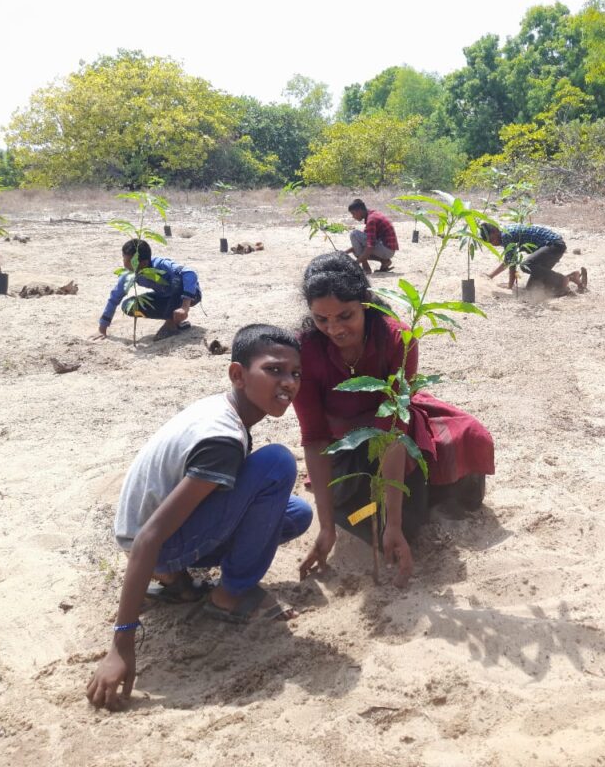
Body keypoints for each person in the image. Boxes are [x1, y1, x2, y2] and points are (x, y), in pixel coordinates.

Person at [86, 324, 313, 711]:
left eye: (295, 374)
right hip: (152, 544)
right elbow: (149, 537)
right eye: (274, 370)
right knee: (276, 463)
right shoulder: (222, 438)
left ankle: (177, 584)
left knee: (295, 513)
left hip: (153, 533)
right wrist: (121, 644)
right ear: (238, 374)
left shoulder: (224, 409)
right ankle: (228, 596)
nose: (288, 383)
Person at [293, 253, 495, 587]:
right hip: (343, 444)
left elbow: (393, 428)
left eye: (345, 316)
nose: (334, 329)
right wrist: (326, 528)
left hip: (392, 433)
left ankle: (432, 495)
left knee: (466, 442)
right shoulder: (305, 351)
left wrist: (395, 525)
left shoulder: (397, 339)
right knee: (361, 517)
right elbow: (314, 437)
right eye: (321, 319)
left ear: (366, 304)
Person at [92, 239, 201, 341]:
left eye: (129, 262)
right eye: (124, 258)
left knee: (177, 279)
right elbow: (114, 298)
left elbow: (189, 273)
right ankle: (176, 320)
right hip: (165, 298)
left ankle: (171, 323)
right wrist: (102, 329)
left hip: (190, 296)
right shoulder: (129, 273)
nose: (125, 264)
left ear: (143, 263)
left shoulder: (161, 264)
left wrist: (184, 307)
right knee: (129, 305)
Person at [481, 222, 587, 296]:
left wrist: (510, 286)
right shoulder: (505, 233)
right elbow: (508, 261)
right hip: (549, 249)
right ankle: (572, 277)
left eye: (492, 240)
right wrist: (491, 276)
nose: (493, 244)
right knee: (532, 289)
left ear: (495, 231)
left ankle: (563, 280)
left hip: (554, 245)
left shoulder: (506, 235)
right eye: (489, 243)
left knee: (525, 265)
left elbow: (512, 263)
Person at [344, 198, 399, 274]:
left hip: (386, 250)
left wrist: (355, 264)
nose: (353, 217)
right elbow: (365, 242)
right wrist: (344, 253)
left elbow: (370, 246)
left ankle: (366, 269)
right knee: (357, 249)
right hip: (388, 249)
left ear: (359, 211)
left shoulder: (371, 219)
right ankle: (384, 261)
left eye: (353, 213)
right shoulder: (373, 214)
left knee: (354, 234)